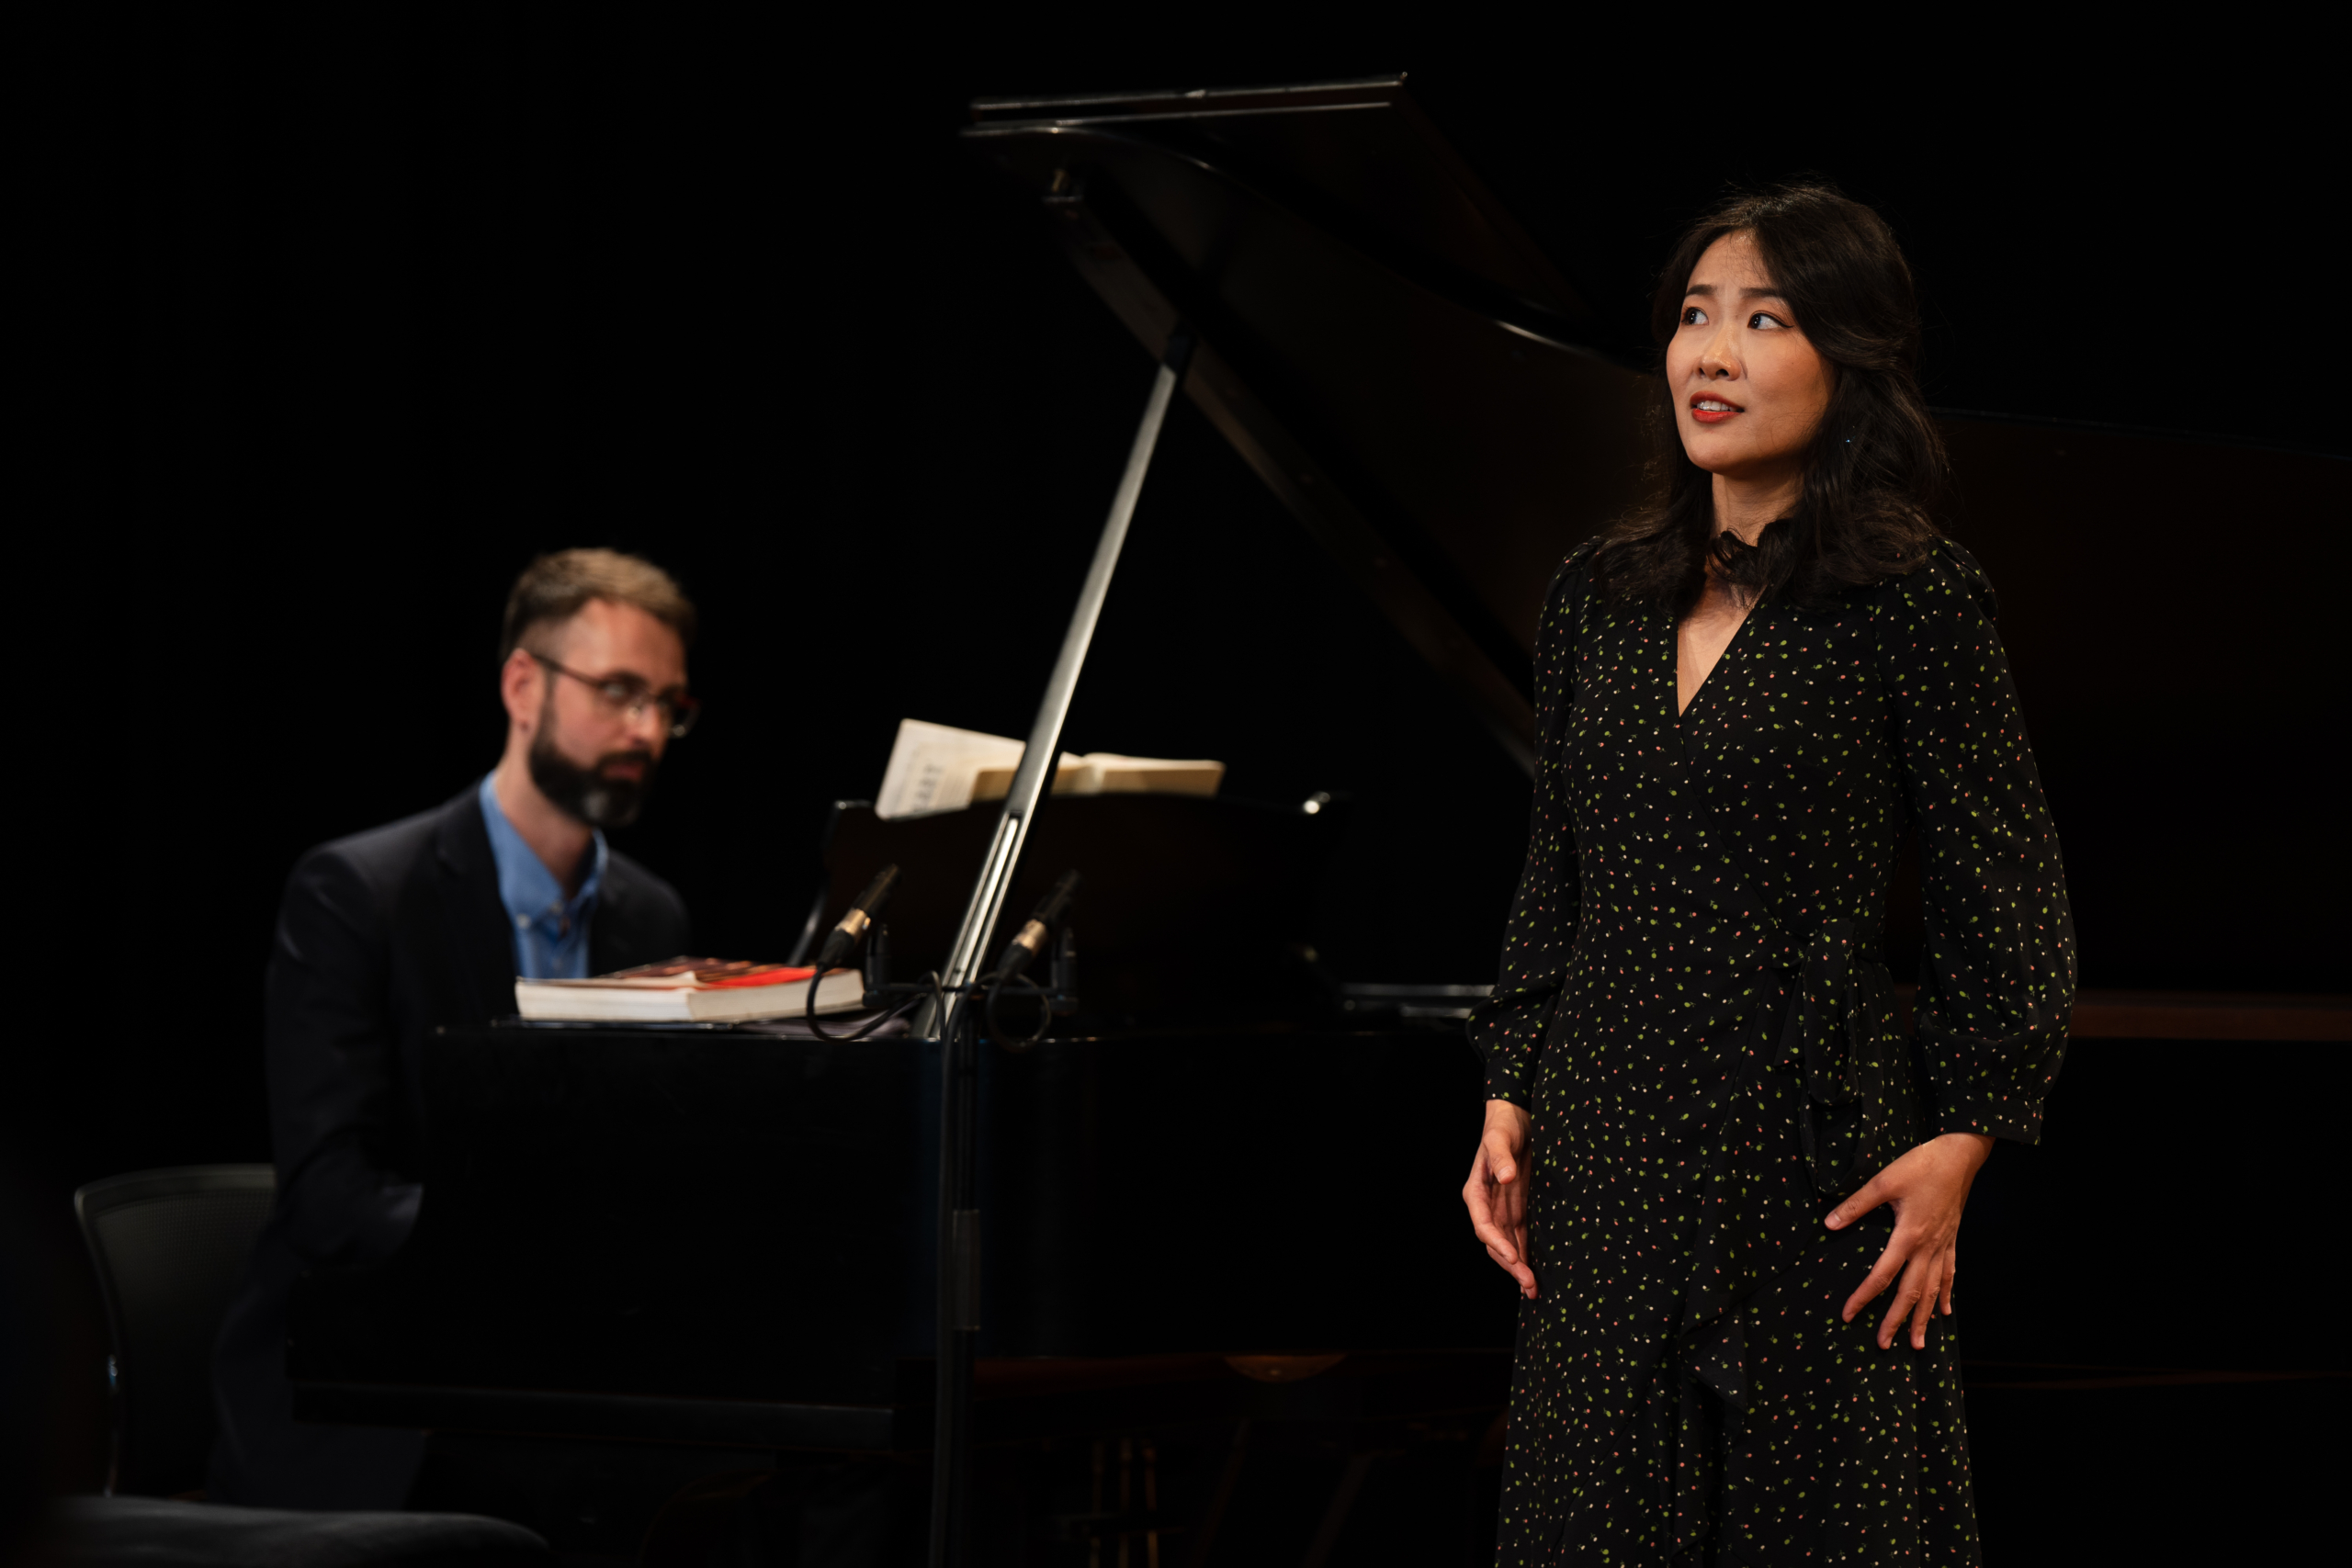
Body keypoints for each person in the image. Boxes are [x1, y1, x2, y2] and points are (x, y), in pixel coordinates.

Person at [1460, 186, 2074, 1564]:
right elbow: (1556, 862)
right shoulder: (1593, 597)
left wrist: (1964, 1136)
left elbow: (2008, 886)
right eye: (1692, 317)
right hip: (1606, 1148)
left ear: (1849, 361)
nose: (1712, 353)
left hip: (1811, 1151)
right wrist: (1509, 1080)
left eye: (1763, 319)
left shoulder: (1915, 599)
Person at [209, 548, 699, 1508]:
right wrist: (549, 1245)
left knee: (793, 1476)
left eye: (668, 705)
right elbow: (330, 1197)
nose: (646, 729)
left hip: (559, 1376)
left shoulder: (653, 917)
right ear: (524, 684)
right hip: (375, 1389)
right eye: (618, 691)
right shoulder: (355, 894)